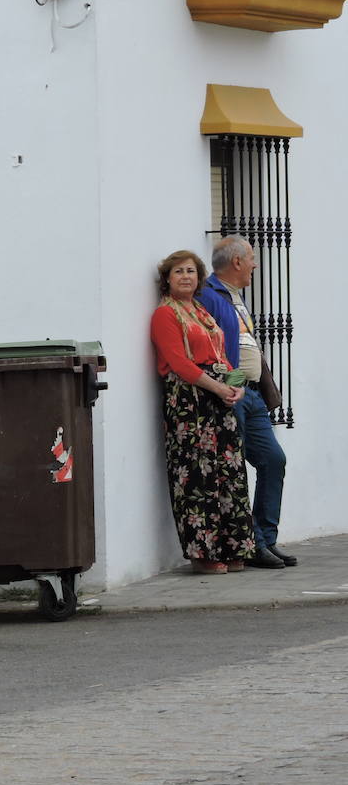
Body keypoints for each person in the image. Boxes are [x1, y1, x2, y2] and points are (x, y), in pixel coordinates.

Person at [149, 250, 255, 574]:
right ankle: (204, 554)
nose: (186, 276)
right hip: (190, 404)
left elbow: (222, 355)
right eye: (179, 271)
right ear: (167, 278)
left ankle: (234, 547)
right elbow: (179, 362)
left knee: (229, 474)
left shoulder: (200, 311)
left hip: (219, 399)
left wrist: (236, 385)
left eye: (191, 272)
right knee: (198, 476)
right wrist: (219, 388)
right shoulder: (165, 315)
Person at [197, 236, 295, 569]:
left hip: (251, 394)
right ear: (236, 262)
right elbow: (210, 350)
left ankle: (265, 538)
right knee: (233, 470)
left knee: (273, 460)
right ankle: (246, 544)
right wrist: (229, 384)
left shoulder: (234, 295)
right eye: (251, 258)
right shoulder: (209, 295)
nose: (255, 264)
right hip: (232, 394)